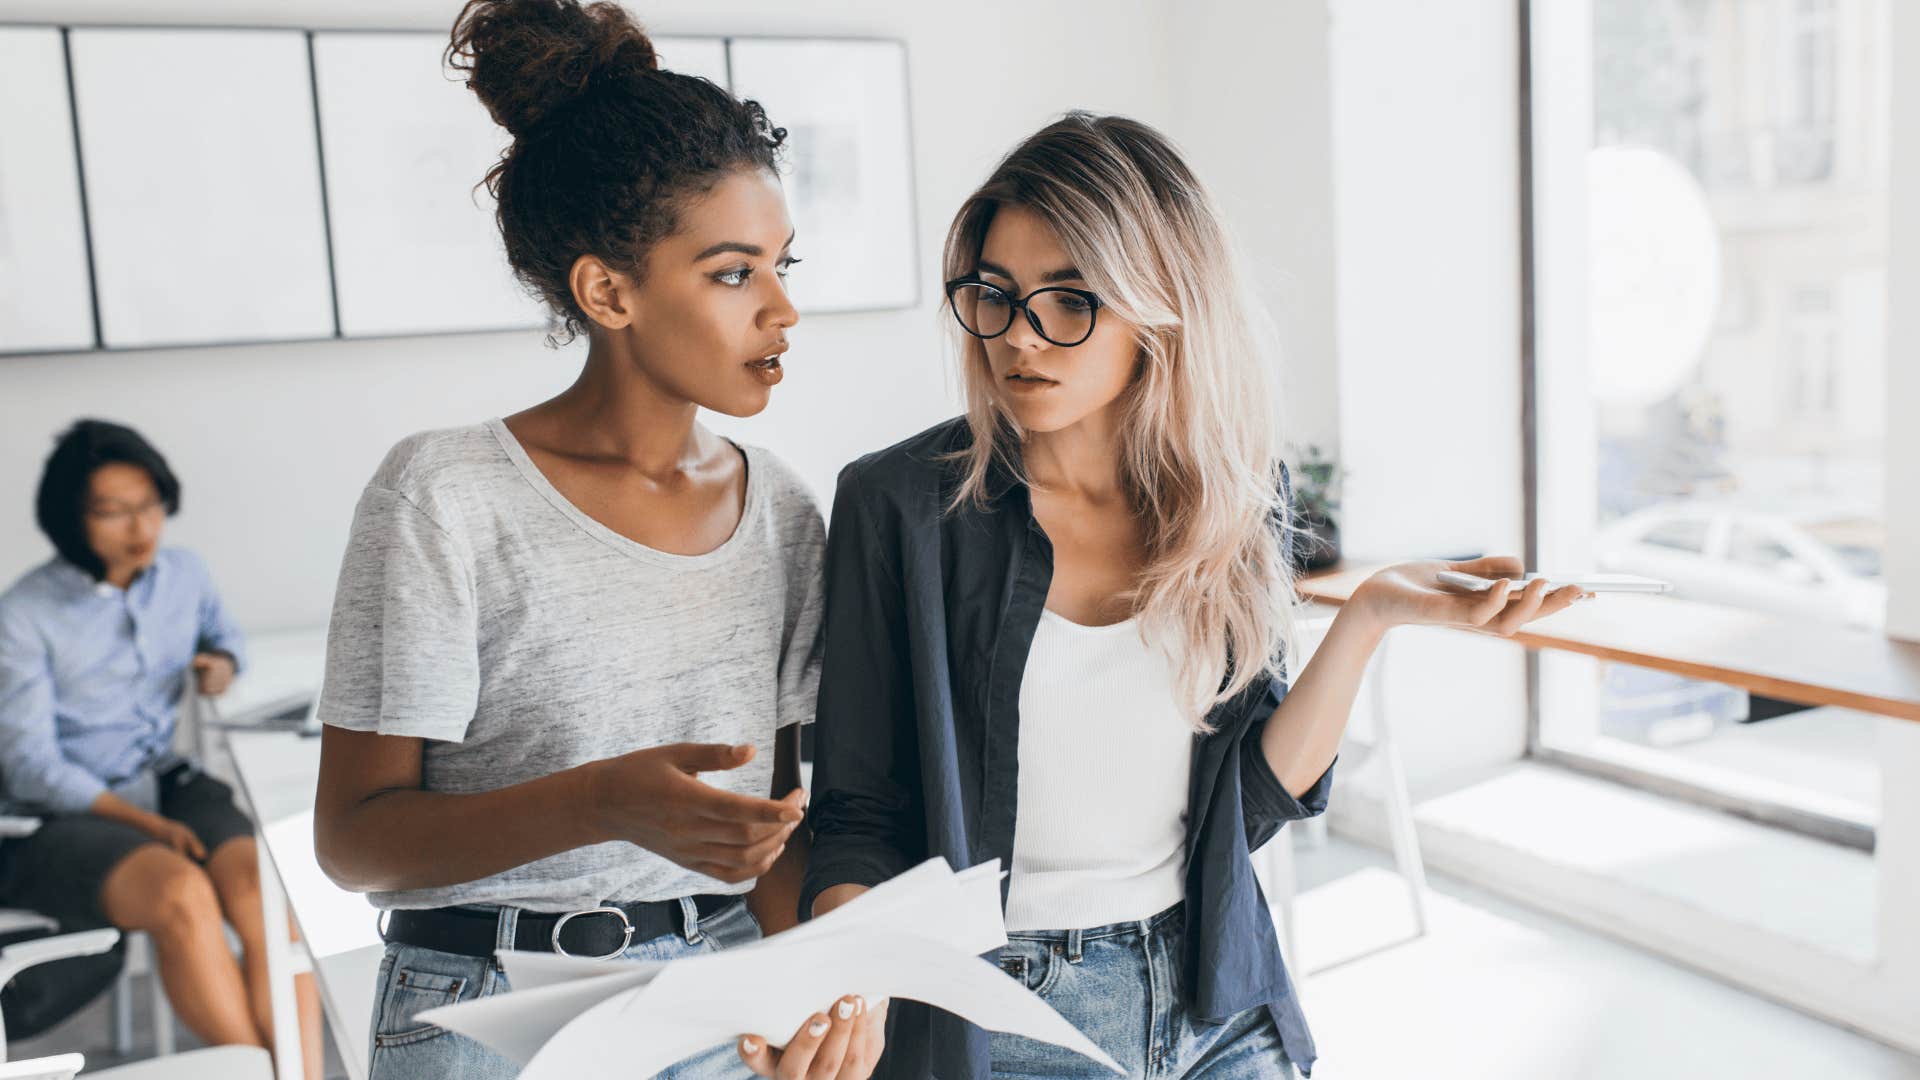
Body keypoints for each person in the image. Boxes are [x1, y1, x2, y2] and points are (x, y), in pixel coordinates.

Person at [799, 113, 1588, 1079]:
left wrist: (1373, 613)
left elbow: (1247, 804)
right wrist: (850, 977)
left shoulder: (1234, 496)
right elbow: (857, 813)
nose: (1020, 337)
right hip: (1003, 1016)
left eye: (1071, 300)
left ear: (1162, 306)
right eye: (995, 295)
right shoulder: (902, 507)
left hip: (1216, 998)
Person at [311, 3, 879, 1077]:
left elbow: (769, 838)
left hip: (715, 998)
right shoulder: (444, 496)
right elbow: (354, 840)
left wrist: (824, 983)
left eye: (782, 266)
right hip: (484, 1007)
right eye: (731, 273)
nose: (781, 311)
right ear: (608, 290)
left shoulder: (787, 514)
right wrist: (599, 804)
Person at [0, 418, 322, 1077]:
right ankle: (262, 1074)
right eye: (113, 512)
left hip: (165, 779)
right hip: (58, 817)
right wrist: (146, 824)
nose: (139, 527)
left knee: (259, 888)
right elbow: (30, 767)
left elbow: (227, 636)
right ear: (70, 519)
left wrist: (221, 663)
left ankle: (303, 1077)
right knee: (181, 894)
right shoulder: (24, 614)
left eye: (148, 506)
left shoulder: (183, 574)